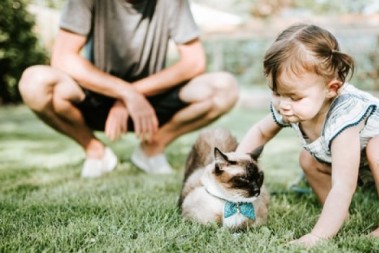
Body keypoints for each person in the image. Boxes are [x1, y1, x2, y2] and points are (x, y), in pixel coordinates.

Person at [237, 24, 379, 246]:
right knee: (308, 158)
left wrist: (317, 236)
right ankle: (341, 217)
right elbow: (261, 131)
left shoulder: (344, 115)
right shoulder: (289, 104)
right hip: (364, 154)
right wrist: (233, 163)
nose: (283, 105)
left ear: (331, 88)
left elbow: (343, 184)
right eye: (276, 92)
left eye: (294, 97)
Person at [18, 0, 239, 178]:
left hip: (152, 104)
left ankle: (152, 147)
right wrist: (126, 93)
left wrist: (134, 94)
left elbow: (194, 62)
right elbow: (63, 57)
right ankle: (95, 151)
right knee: (34, 82)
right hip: (95, 98)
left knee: (224, 88)